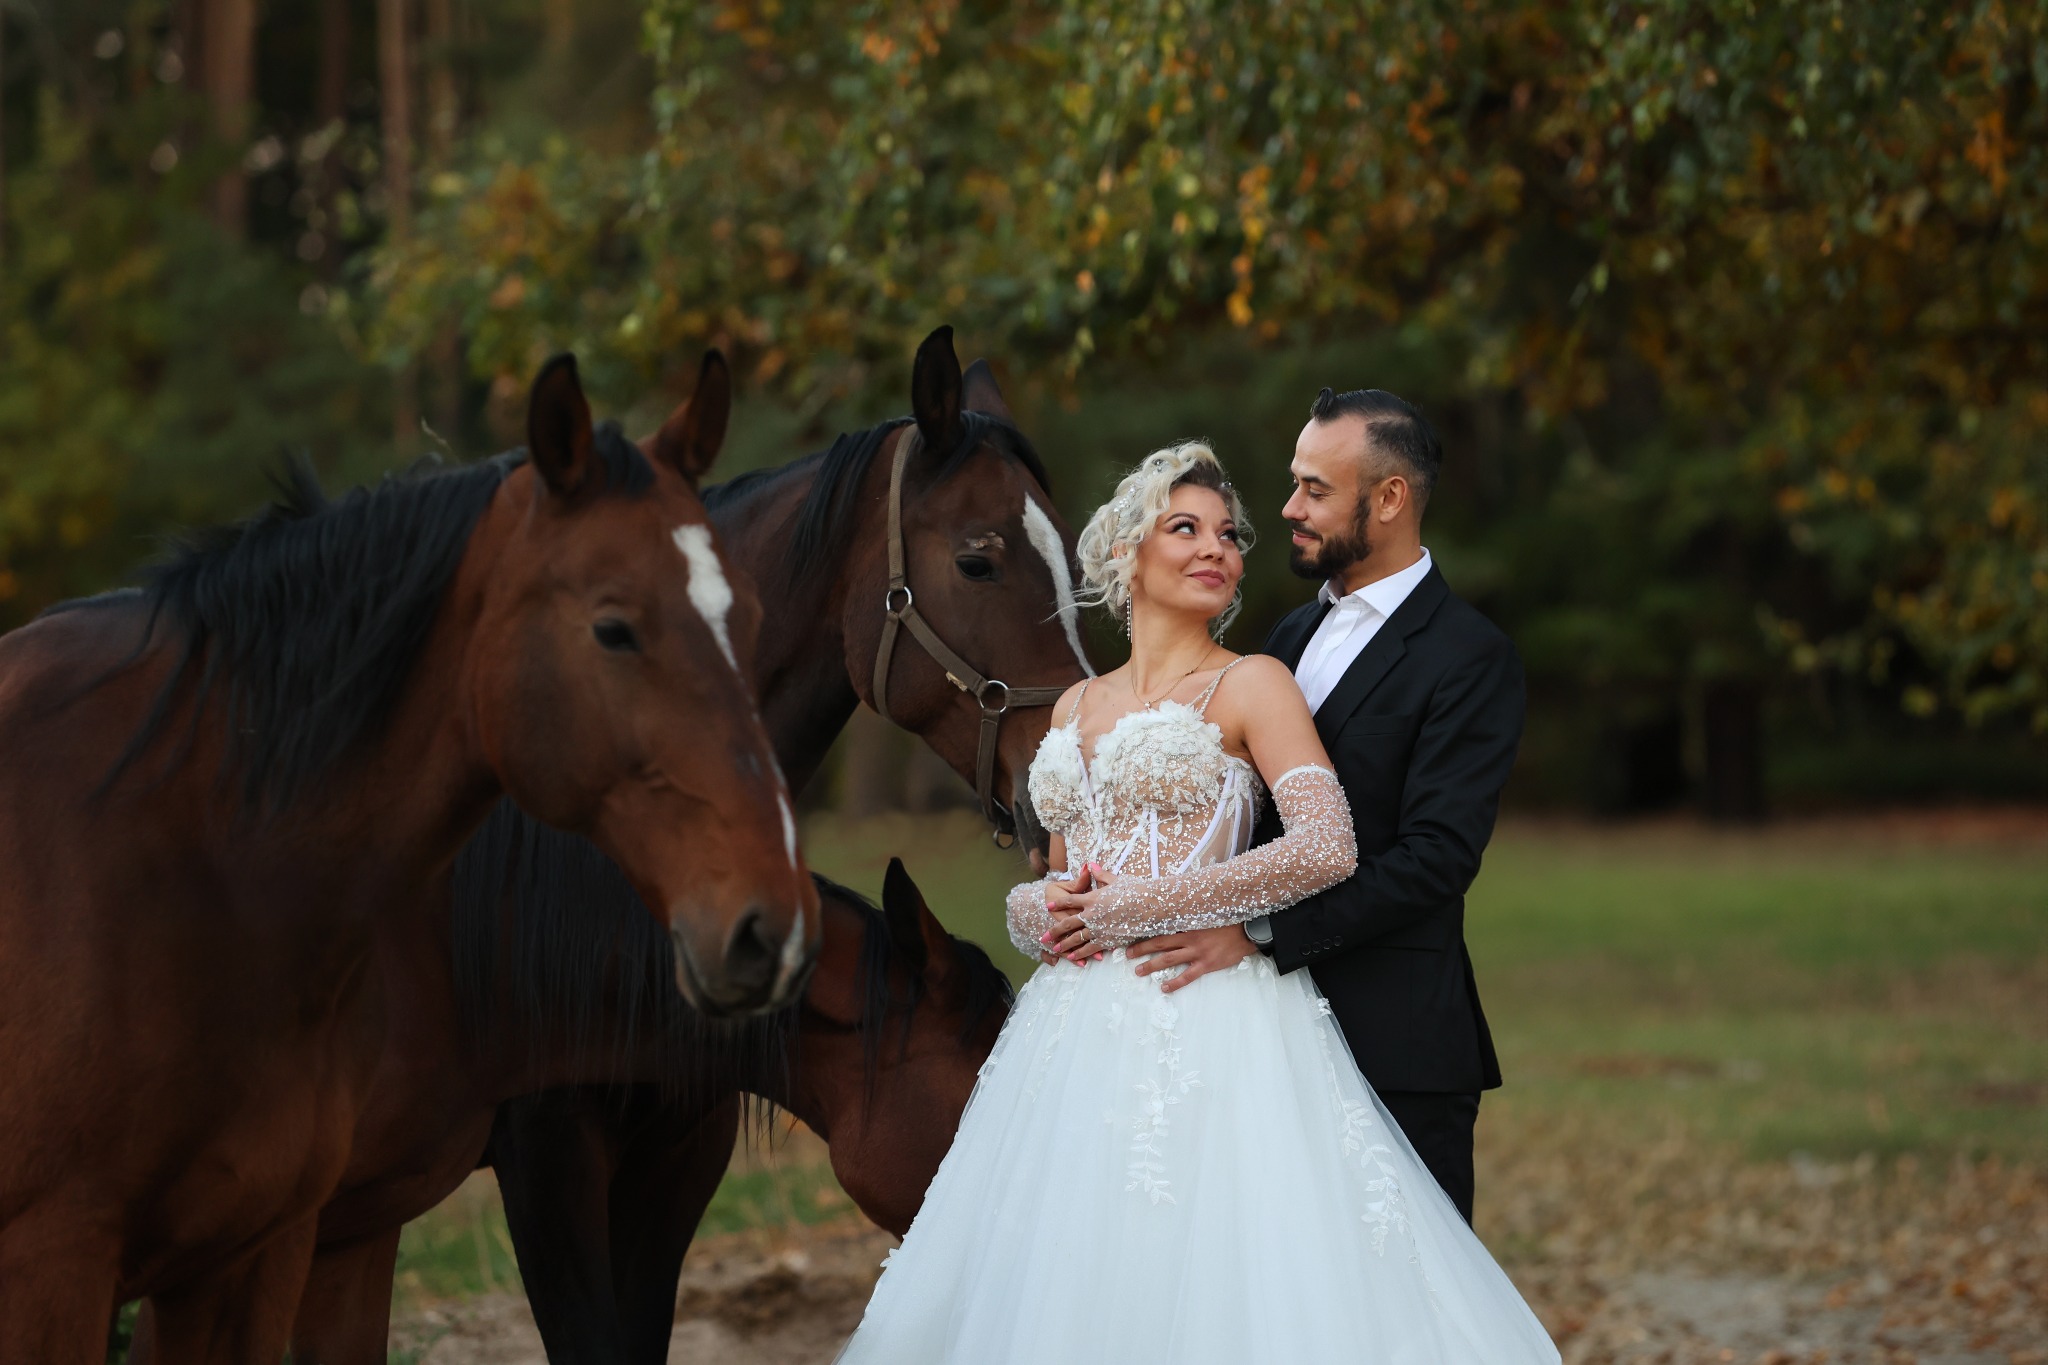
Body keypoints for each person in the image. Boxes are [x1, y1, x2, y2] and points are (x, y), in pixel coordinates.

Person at [834, 440, 1555, 1364]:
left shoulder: (1254, 680)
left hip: (1213, 1015)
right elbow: (1047, 883)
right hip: (1069, 1041)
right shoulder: (1071, 708)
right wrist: (1045, 916)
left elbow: (1327, 845)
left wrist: (1137, 910)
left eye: (1228, 534)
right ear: (1127, 554)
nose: (1218, 547)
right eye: (1186, 528)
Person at [1126, 388, 1524, 1224]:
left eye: (1314, 489)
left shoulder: (1469, 656)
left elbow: (1437, 854)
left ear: (1389, 498)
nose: (1288, 509)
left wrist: (1261, 934)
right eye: (1293, 483)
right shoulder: (1286, 640)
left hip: (1394, 1042)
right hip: (1254, 1040)